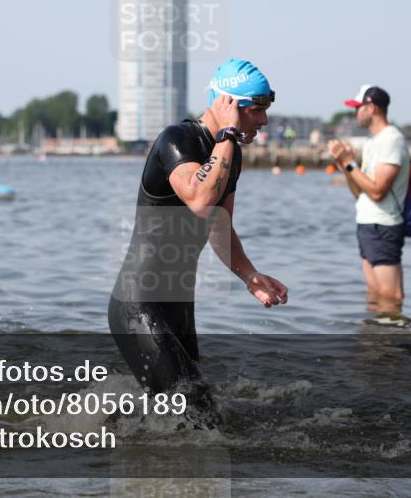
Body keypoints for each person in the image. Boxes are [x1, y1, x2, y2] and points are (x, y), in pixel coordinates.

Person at [108, 58, 288, 425]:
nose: (264, 121)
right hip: (138, 305)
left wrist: (249, 275)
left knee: (186, 415)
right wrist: (228, 135)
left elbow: (219, 227)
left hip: (178, 307)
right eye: (256, 110)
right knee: (198, 416)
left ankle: (100, 430)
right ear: (228, 104)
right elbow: (201, 200)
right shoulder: (177, 140)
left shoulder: (229, 152)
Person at [327, 85, 411, 325]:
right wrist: (345, 166)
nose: (355, 113)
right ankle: (375, 341)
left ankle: (394, 343)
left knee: (391, 297)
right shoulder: (373, 142)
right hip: (367, 224)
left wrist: (350, 164)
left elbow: (377, 191)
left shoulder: (391, 140)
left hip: (383, 226)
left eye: (358, 108)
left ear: (371, 108)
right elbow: (360, 193)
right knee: (375, 295)